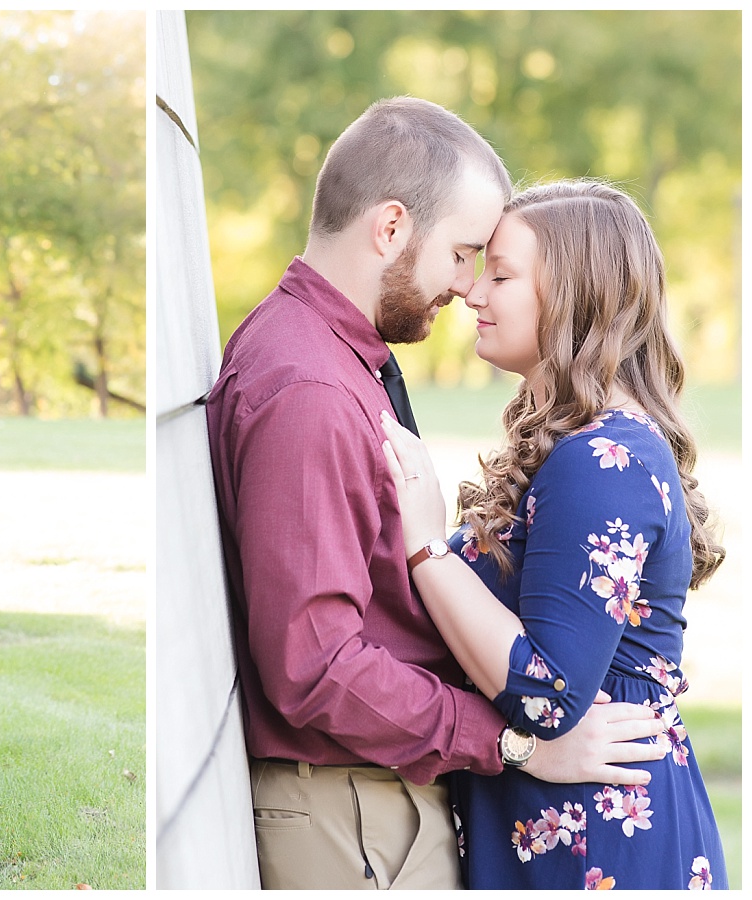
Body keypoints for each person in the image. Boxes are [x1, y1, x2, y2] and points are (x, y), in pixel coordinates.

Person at [206, 98, 668, 890]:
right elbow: (314, 666)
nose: (466, 286)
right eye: (461, 254)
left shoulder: (338, 363)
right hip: (351, 814)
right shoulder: (310, 389)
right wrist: (510, 743)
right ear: (391, 228)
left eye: (489, 267)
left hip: (374, 799)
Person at [380, 179, 728, 890]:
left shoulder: (602, 461)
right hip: (564, 826)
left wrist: (425, 549)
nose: (473, 293)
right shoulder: (583, 446)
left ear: (573, 296)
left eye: (501, 275)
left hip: (596, 844)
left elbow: (550, 692)